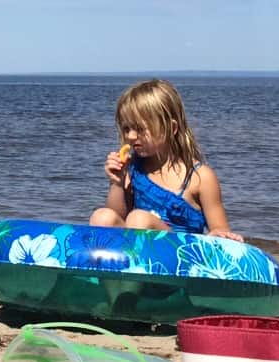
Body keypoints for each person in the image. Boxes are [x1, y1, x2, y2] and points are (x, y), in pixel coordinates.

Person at [89, 78, 243, 240]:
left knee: (138, 219)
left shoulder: (200, 177)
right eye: (126, 129)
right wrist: (117, 183)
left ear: (171, 128)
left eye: (140, 129)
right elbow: (116, 217)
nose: (131, 136)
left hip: (180, 255)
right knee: (102, 216)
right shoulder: (132, 168)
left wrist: (218, 234)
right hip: (134, 250)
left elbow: (220, 230)